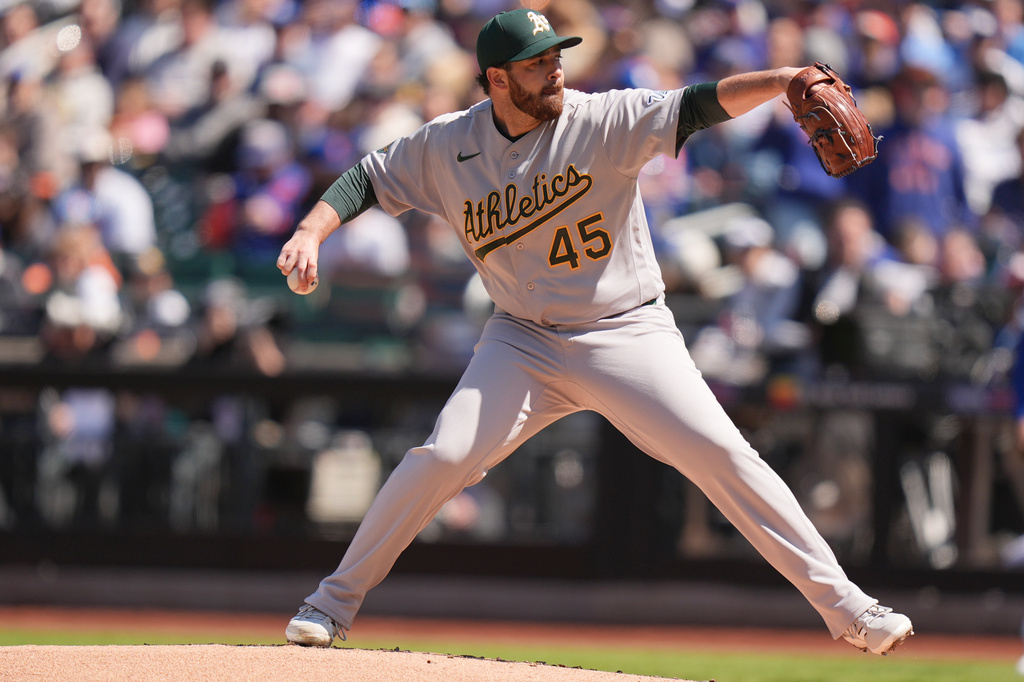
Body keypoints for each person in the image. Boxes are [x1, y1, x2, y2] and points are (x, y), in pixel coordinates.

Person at [277, 9, 914, 656]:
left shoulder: (599, 118)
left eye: (557, 56)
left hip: (625, 331)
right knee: (442, 457)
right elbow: (367, 178)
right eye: (537, 63)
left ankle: (850, 609)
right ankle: (329, 605)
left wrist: (782, 79)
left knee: (723, 456)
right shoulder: (448, 144)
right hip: (521, 340)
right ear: (496, 79)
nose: (555, 69)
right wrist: (309, 232)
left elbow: (697, 105)